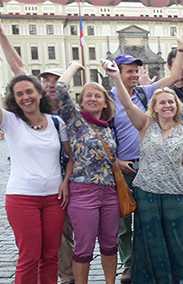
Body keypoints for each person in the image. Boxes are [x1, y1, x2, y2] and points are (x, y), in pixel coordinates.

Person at [105, 61, 183, 284]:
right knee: (151, 240)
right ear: (155, 106)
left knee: (178, 240)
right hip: (147, 193)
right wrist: (115, 77)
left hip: (175, 193)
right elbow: (126, 103)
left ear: (176, 106)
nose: (167, 105)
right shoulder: (145, 124)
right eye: (162, 102)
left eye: (171, 102)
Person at [0, 18, 75, 284]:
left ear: (39, 93)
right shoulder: (10, 121)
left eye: (29, 91)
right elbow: (17, 68)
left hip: (54, 198)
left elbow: (70, 157)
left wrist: (66, 182)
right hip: (23, 198)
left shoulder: (56, 122)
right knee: (29, 256)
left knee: (51, 256)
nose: (25, 97)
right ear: (14, 98)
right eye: (19, 94)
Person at [113, 28, 183, 283]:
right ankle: (131, 265)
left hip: (163, 176)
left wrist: (181, 48)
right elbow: (111, 124)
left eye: (137, 71)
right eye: (129, 71)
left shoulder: (147, 94)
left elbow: (173, 76)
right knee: (130, 227)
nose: (134, 75)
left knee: (166, 230)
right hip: (127, 168)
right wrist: (114, 160)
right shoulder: (113, 101)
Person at [57, 62, 120, 284]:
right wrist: (74, 66)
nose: (93, 99)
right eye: (88, 96)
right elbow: (60, 89)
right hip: (84, 192)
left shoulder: (107, 127)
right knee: (84, 247)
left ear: (105, 103)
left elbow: (105, 157)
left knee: (110, 244)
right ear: (81, 101)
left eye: (98, 96)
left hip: (110, 192)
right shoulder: (75, 122)